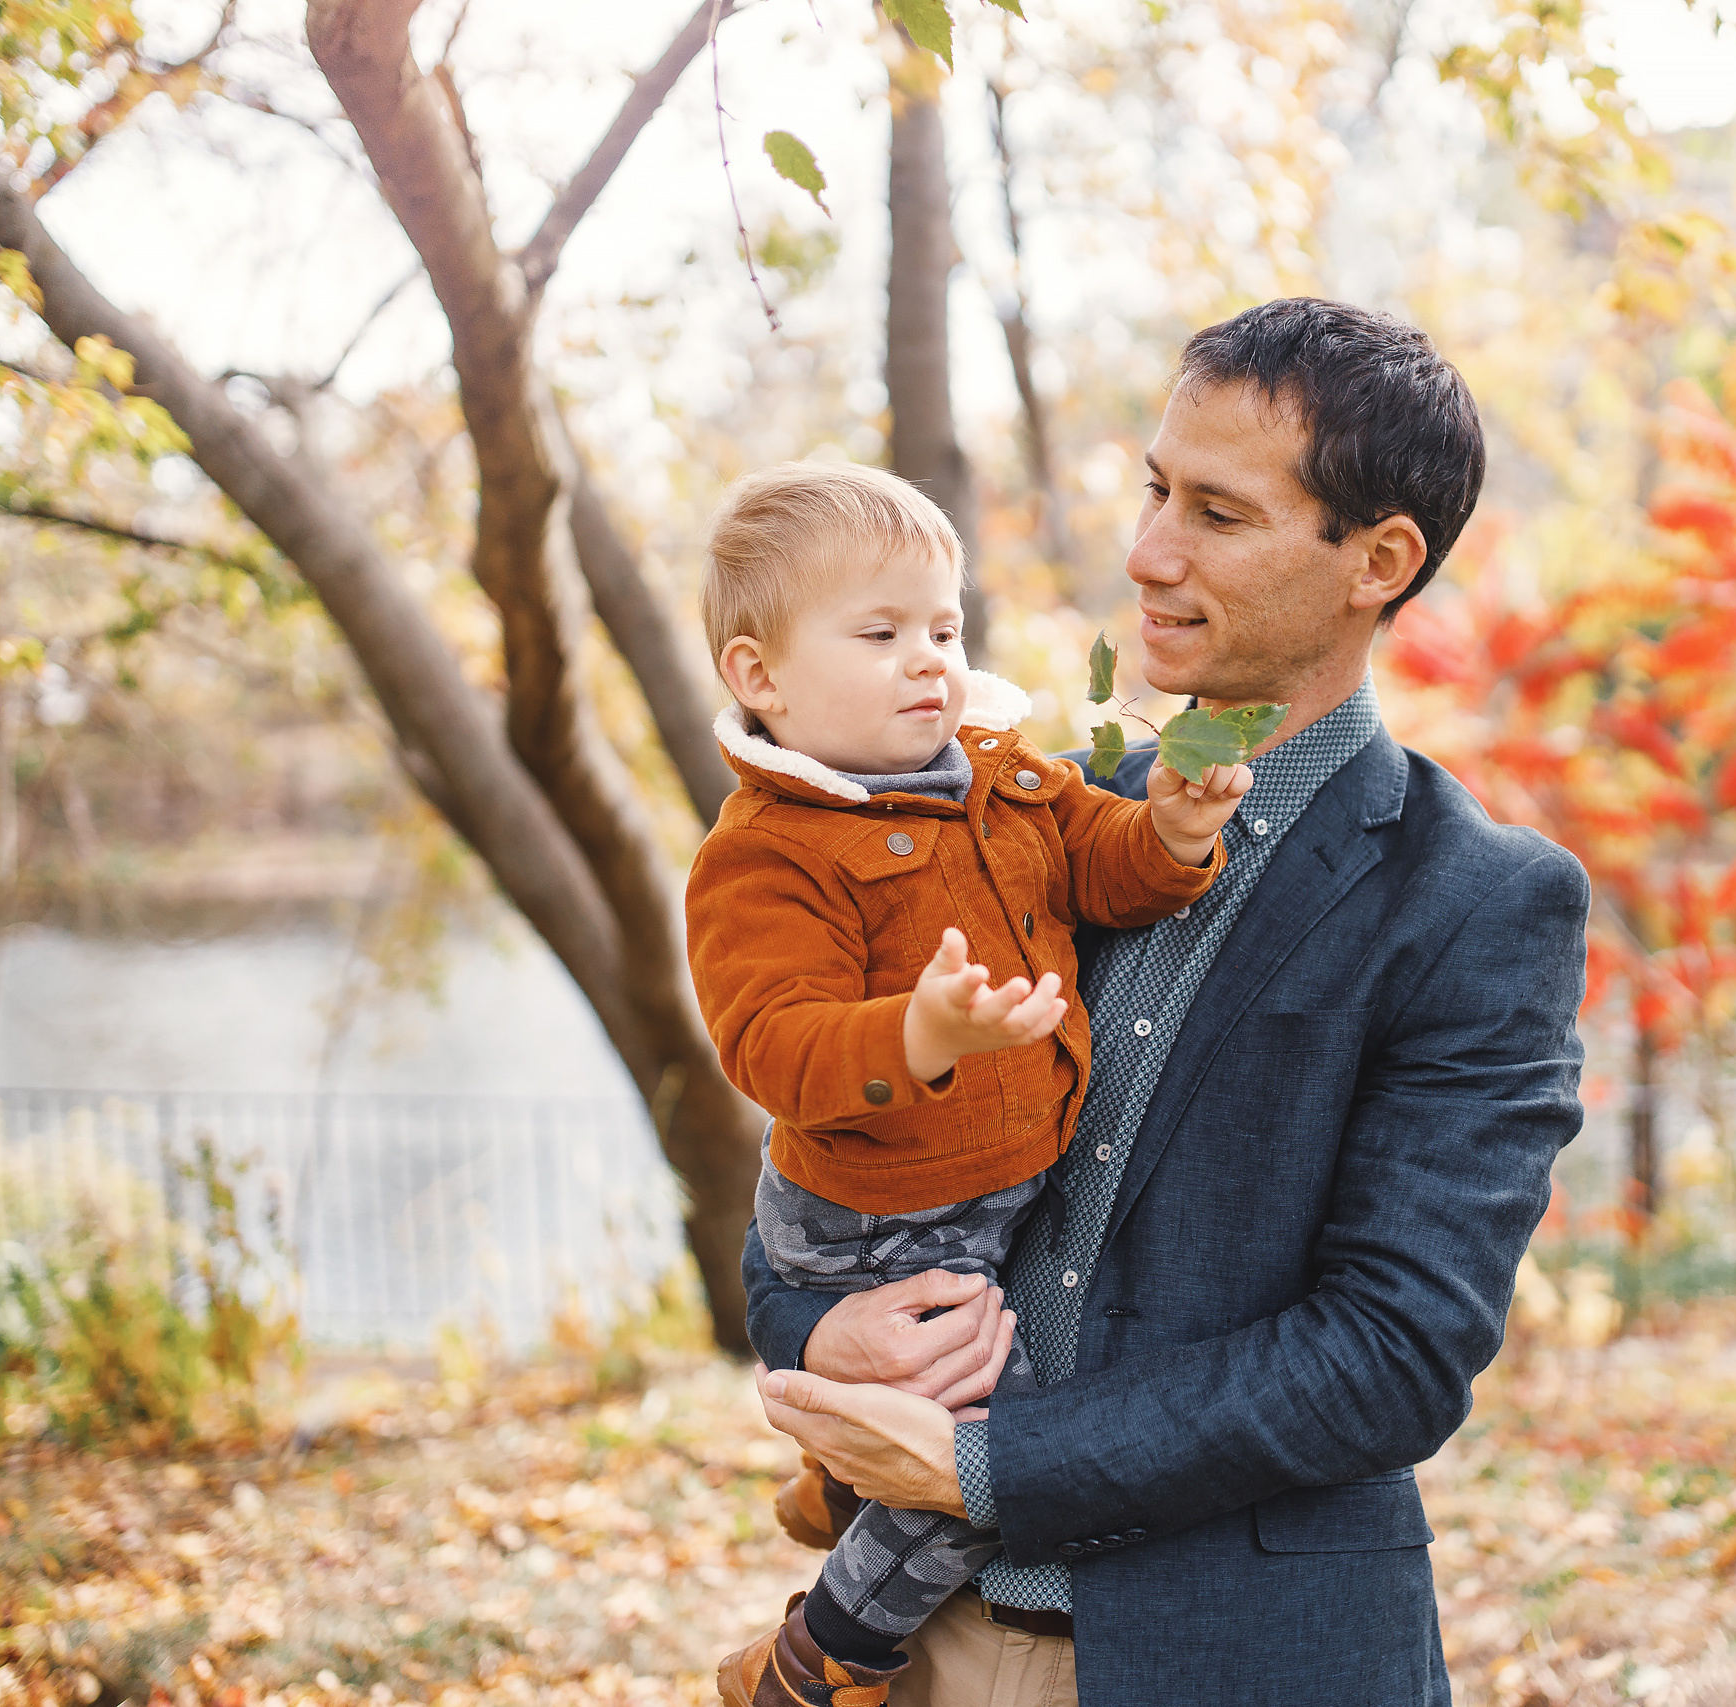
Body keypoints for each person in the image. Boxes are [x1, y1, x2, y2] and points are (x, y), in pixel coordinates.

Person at [741, 299, 1592, 1707]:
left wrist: (982, 1464)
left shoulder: (1479, 901)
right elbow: (829, 1129)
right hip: (918, 1649)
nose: (1147, 551)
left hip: (1251, 1661)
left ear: (1377, 562)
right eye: (1153, 489)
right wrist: (814, 1324)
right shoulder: (1028, 821)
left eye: (1216, 512)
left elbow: (1394, 1348)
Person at [682, 461, 1254, 1707]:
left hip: (985, 1194)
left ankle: (837, 1480)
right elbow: (770, 1045)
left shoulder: (1000, 772)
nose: (928, 660)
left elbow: (1097, 864)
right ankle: (819, 1652)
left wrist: (1167, 834)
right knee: (987, 1461)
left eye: (942, 627)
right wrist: (917, 1034)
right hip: (875, 1216)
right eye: (879, 634)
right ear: (759, 677)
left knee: (975, 1437)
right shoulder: (767, 855)